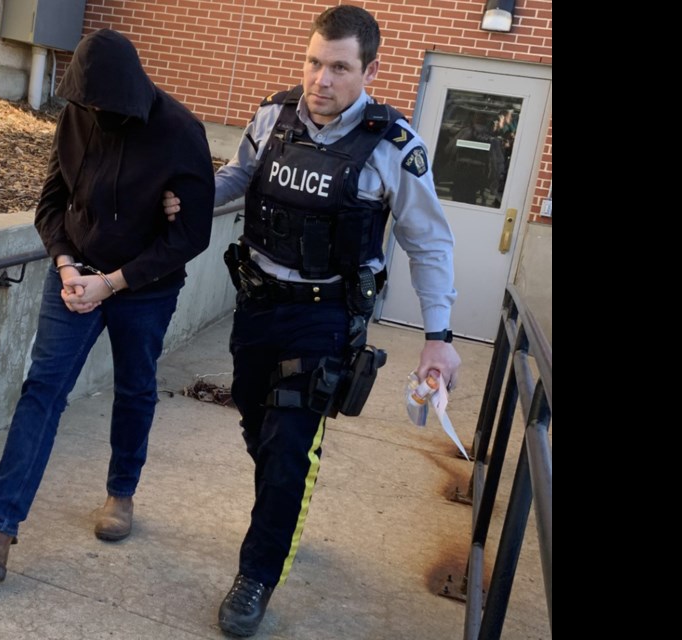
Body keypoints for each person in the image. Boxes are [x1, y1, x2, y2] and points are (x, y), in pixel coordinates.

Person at [165, 5, 460, 636]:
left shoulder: (394, 147)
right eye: (313, 62)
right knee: (256, 418)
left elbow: (429, 244)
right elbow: (240, 177)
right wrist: (183, 199)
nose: (320, 80)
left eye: (339, 68)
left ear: (369, 69)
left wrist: (439, 337)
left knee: (289, 446)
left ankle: (256, 577)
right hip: (258, 304)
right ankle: (285, 487)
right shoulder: (273, 116)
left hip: (325, 319)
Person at [0, 29, 215, 583]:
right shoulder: (76, 117)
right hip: (74, 277)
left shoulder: (181, 131)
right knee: (43, 390)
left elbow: (193, 235)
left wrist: (113, 283)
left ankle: (121, 494)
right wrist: (64, 264)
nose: (96, 114)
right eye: (87, 104)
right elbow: (50, 202)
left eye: (105, 106)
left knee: (134, 390)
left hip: (144, 289)